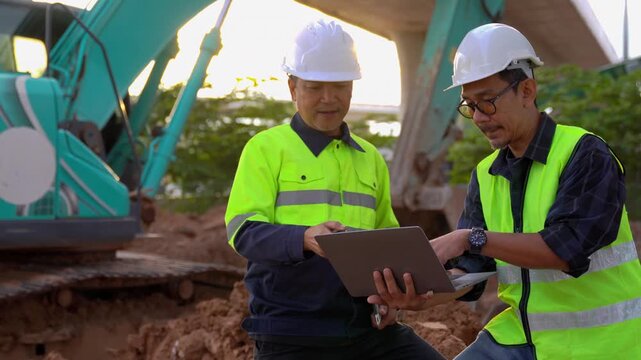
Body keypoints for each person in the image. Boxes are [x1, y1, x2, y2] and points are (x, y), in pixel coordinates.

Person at [368, 23, 641, 360]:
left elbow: (564, 249)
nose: (479, 118)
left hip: (599, 344)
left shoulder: (585, 155)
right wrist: (423, 294)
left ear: (526, 90)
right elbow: (471, 272)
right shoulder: (485, 175)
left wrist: (470, 237)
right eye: (469, 105)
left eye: (488, 102)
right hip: (521, 337)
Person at [225, 19, 444, 360]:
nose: (329, 98)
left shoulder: (370, 158)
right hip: (292, 333)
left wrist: (391, 298)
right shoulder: (266, 149)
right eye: (314, 87)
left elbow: (388, 240)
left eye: (340, 85)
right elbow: (243, 232)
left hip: (366, 329)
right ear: (292, 87)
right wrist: (304, 238)